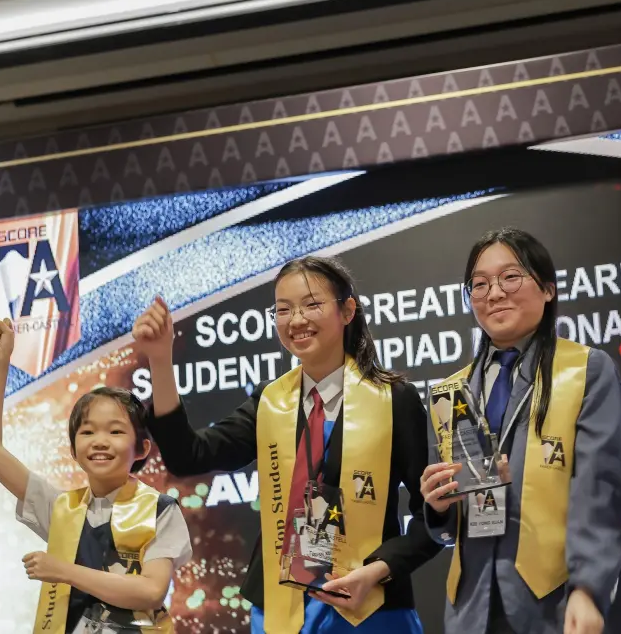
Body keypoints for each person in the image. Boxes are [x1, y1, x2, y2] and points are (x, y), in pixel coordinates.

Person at [132, 256, 443, 634]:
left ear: (347, 310)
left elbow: (435, 516)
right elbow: (188, 455)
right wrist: (160, 360)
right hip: (282, 610)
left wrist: (377, 571)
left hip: (371, 605)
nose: (296, 320)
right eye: (283, 310)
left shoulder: (394, 399)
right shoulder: (270, 402)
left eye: (311, 304)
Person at [420, 228, 621, 634]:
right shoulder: (447, 394)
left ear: (547, 289)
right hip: (475, 608)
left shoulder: (585, 370)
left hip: (559, 601)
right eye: (480, 284)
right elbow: (451, 521)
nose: (494, 293)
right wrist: (439, 507)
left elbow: (598, 490)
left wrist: (588, 588)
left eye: (510, 277)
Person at [0, 317, 192, 634]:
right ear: (74, 450)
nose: (100, 441)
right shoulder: (61, 509)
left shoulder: (161, 510)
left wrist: (63, 570)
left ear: (142, 448)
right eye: (87, 432)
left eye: (115, 431)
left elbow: (150, 591)